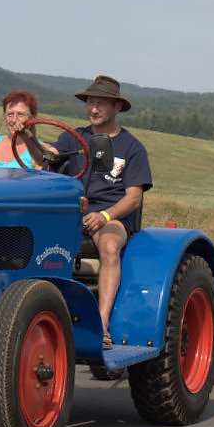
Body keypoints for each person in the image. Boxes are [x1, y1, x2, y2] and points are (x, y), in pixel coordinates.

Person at [36, 75, 152, 349]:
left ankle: (101, 324)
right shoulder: (73, 138)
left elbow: (134, 197)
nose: (94, 109)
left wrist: (106, 216)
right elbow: (46, 156)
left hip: (112, 216)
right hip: (74, 213)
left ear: (117, 107)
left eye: (101, 103)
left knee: (110, 246)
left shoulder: (132, 148)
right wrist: (30, 137)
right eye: (90, 102)